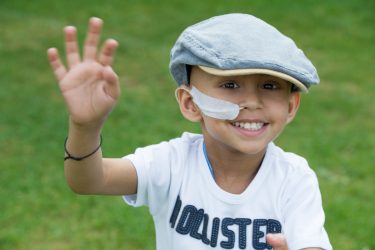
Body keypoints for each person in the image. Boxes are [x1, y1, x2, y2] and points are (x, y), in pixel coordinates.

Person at [47, 14, 332, 250]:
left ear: (291, 105)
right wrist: (85, 126)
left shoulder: (294, 179)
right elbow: (89, 181)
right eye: (230, 85)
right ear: (190, 102)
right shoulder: (171, 163)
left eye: (269, 86)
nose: (252, 102)